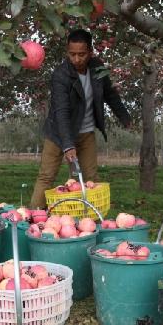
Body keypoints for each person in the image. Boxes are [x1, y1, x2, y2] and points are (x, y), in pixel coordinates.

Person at [30, 29, 132, 209]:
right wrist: (68, 144)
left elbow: (110, 94)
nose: (76, 59)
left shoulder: (97, 68)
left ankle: (89, 220)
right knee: (46, 177)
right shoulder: (60, 75)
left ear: (90, 52)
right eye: (72, 54)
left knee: (91, 179)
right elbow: (61, 111)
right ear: (67, 52)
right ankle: (31, 220)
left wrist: (124, 116)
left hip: (85, 133)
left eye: (82, 54)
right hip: (59, 134)